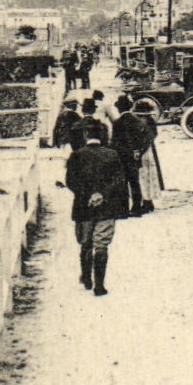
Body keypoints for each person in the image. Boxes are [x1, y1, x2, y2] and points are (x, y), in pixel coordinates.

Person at [65, 120, 129, 296]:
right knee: (101, 244)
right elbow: (119, 181)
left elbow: (71, 181)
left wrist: (88, 195)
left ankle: (86, 278)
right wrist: (102, 194)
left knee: (85, 243)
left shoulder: (76, 156)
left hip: (83, 208)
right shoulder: (112, 155)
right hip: (106, 208)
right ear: (101, 136)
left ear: (86, 135)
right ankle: (99, 286)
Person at [109, 95, 154, 216]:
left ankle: (124, 209)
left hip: (122, 157)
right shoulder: (137, 121)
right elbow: (147, 138)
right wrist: (138, 151)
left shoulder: (117, 123)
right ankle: (136, 207)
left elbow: (114, 142)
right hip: (134, 158)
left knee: (123, 183)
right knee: (135, 183)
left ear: (119, 109)